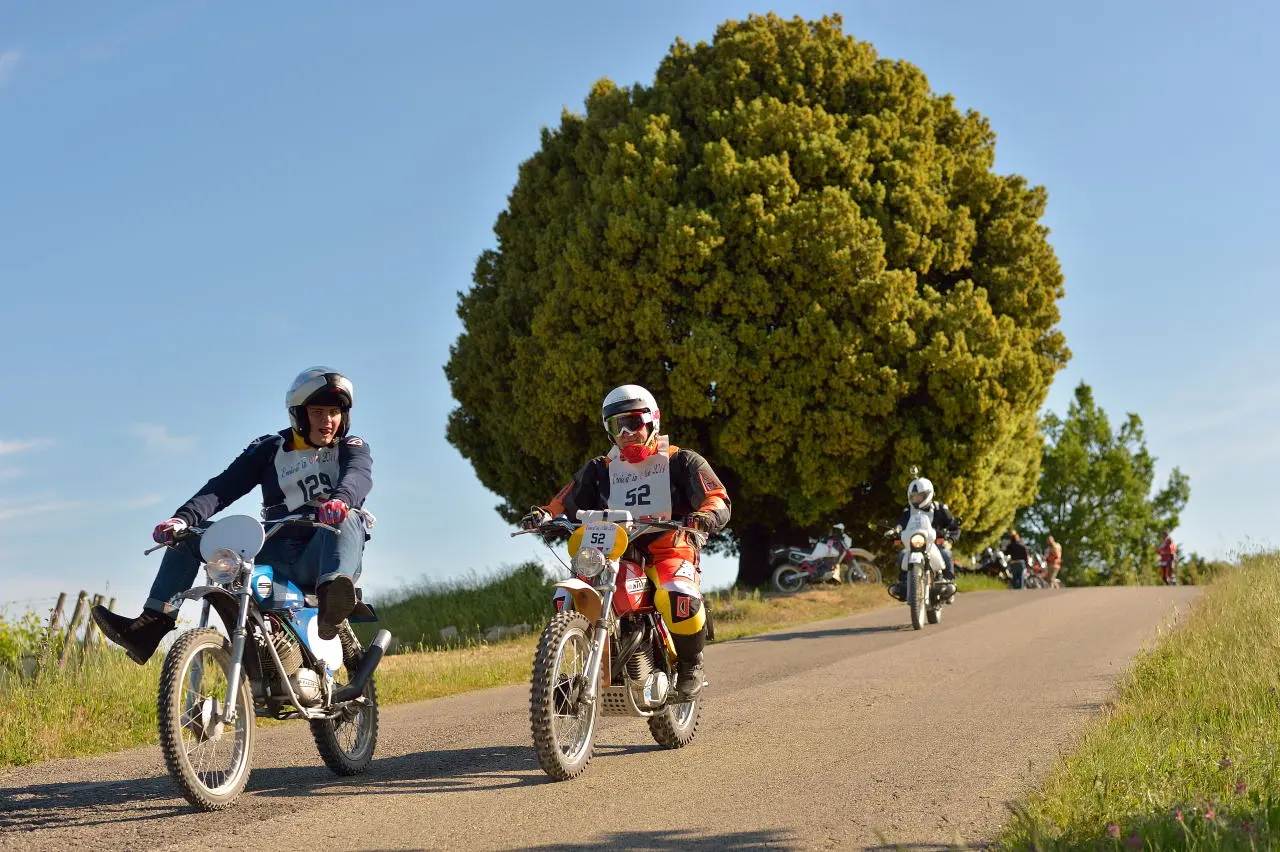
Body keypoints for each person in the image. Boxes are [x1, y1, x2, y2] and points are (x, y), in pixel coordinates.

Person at [91, 367, 374, 665]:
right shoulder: (269, 448)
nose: (327, 421)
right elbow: (223, 488)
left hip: (321, 553)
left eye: (334, 412)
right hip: (273, 549)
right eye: (317, 412)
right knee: (190, 537)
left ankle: (333, 602)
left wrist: (340, 500)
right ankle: (150, 626)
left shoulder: (352, 447)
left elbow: (358, 477)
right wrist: (181, 520)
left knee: (349, 516)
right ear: (299, 414)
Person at [521, 384, 730, 699]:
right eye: (616, 425)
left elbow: (716, 496)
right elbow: (564, 500)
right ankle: (577, 669)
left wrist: (707, 515)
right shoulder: (600, 468)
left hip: (670, 548)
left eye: (633, 422)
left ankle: (690, 665)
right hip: (617, 551)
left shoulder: (682, 461)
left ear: (652, 421)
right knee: (569, 596)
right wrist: (544, 515)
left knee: (677, 595)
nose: (626, 432)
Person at [887, 476, 959, 601]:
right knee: (902, 554)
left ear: (928, 494)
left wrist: (950, 537)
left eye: (920, 496)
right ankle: (904, 583)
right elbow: (901, 523)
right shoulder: (908, 510)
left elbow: (953, 526)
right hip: (914, 545)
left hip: (936, 543)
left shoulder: (939, 508)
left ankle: (948, 582)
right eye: (914, 497)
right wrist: (894, 530)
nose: (916, 499)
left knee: (945, 553)